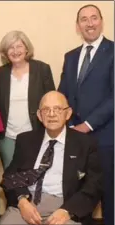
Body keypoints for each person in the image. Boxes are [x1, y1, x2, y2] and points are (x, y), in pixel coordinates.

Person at [0, 91, 102, 225]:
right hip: (27, 204)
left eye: (58, 109)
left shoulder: (85, 144)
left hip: (64, 206)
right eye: (46, 110)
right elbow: (10, 176)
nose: (52, 114)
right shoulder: (26, 140)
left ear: (68, 113)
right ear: (39, 115)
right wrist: (22, 201)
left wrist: (67, 211)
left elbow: (94, 185)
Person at [58, 4, 113, 225]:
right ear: (77, 25)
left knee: (109, 195)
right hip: (75, 140)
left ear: (101, 21)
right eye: (84, 19)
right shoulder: (70, 57)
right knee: (80, 197)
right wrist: (67, 124)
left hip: (107, 138)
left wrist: (88, 124)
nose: (89, 23)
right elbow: (63, 94)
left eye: (93, 18)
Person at [0, 30, 55, 169]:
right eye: (11, 47)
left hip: (35, 133)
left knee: (34, 173)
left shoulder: (42, 69)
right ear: (5, 52)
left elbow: (51, 100)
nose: (15, 51)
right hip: (7, 137)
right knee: (11, 177)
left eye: (19, 46)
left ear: (26, 48)